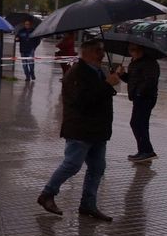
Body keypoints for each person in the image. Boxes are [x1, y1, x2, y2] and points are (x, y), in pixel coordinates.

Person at [37, 38, 123, 221]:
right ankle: (47, 194)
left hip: (98, 130)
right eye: (99, 51)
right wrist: (107, 85)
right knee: (72, 164)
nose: (102, 55)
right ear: (88, 52)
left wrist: (112, 81)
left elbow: (101, 95)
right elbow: (83, 102)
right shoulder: (76, 73)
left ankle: (88, 204)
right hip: (80, 129)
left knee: (98, 167)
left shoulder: (98, 71)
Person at [120, 42, 160, 162]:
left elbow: (150, 80)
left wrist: (139, 92)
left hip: (146, 97)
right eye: (131, 50)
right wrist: (122, 75)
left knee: (137, 123)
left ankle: (147, 151)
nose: (132, 52)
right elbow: (132, 80)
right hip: (138, 97)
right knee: (139, 123)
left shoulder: (149, 63)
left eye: (135, 50)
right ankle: (144, 150)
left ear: (141, 50)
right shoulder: (134, 62)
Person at [15, 17, 41, 82]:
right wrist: (17, 39)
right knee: (24, 65)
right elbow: (17, 38)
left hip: (30, 50)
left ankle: (32, 73)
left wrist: (34, 47)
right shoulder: (21, 31)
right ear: (24, 24)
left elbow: (38, 40)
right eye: (26, 24)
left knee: (31, 64)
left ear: (30, 24)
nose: (27, 25)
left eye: (28, 24)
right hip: (23, 50)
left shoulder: (34, 31)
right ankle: (27, 77)